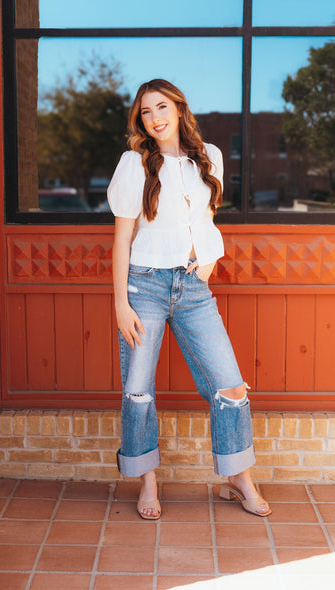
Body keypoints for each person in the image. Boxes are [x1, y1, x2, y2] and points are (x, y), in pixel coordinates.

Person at [107, 79, 271, 520]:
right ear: (140, 120)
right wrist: (120, 303)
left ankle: (239, 477)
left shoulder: (209, 156)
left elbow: (206, 217)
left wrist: (208, 260)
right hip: (144, 286)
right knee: (138, 390)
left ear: (179, 109)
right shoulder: (135, 163)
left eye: (162, 107)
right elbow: (123, 238)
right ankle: (148, 481)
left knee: (231, 386)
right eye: (146, 112)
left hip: (193, 288)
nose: (156, 117)